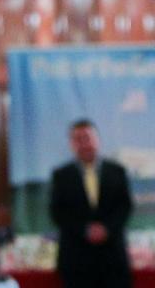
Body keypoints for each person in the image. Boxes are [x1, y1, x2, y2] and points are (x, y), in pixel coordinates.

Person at [49, 119, 132, 288]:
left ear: (97, 140)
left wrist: (106, 228)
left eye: (87, 138)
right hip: (75, 261)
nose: (83, 144)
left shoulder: (117, 171)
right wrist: (85, 230)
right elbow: (57, 212)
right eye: (78, 139)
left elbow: (125, 207)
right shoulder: (61, 175)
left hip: (113, 260)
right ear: (71, 144)